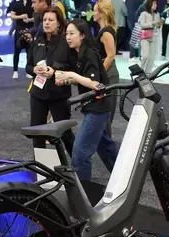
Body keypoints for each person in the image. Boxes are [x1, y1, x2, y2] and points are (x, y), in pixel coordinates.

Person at [59, 18, 119, 181]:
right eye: (67, 34)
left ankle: (83, 193)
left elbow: (95, 84)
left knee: (80, 152)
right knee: (106, 148)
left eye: (72, 34)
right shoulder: (77, 54)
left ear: (83, 35)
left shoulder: (90, 54)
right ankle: (124, 178)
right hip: (93, 107)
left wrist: (72, 75)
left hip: (98, 108)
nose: (68, 37)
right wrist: (67, 79)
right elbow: (82, 79)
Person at [25, 6, 74, 151]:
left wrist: (54, 71)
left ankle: (78, 166)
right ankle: (41, 169)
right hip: (38, 93)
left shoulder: (66, 43)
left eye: (51, 20)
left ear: (59, 23)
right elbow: (28, 66)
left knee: (65, 133)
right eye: (45, 19)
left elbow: (71, 68)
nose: (47, 23)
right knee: (37, 134)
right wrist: (34, 70)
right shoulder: (37, 41)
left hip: (58, 94)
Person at [93, 0, 119, 137]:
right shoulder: (105, 30)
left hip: (109, 74)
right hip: (108, 73)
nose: (93, 13)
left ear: (102, 13)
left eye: (95, 10)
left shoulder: (106, 32)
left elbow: (110, 56)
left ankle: (109, 150)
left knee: (107, 113)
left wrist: (100, 74)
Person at [9, 0, 34, 79]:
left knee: (29, 52)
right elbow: (12, 16)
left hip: (30, 30)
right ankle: (15, 71)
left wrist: (29, 20)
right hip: (19, 30)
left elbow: (37, 17)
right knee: (17, 51)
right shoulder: (16, 3)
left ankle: (28, 71)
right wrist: (21, 16)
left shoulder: (32, 3)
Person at [138, 0, 161, 74]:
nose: (155, 5)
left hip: (154, 36)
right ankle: (141, 71)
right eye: (154, 4)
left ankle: (148, 73)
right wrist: (152, 23)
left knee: (152, 57)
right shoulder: (144, 14)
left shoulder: (157, 14)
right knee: (145, 56)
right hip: (145, 37)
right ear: (149, 4)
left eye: (156, 4)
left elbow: (157, 26)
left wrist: (159, 24)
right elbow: (142, 25)